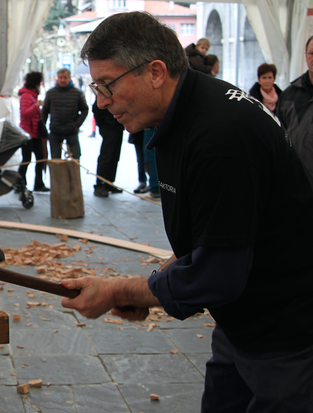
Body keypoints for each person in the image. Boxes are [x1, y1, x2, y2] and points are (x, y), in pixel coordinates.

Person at [61, 12, 313, 411]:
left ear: (156, 72)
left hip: (286, 332)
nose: (102, 102)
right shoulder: (186, 111)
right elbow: (222, 230)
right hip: (241, 321)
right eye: (96, 86)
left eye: (108, 85)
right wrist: (162, 280)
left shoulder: (220, 136)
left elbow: (219, 273)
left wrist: (120, 290)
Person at [276, 37, 313, 177]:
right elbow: (279, 135)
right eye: (312, 53)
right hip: (296, 178)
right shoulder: (289, 95)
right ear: (305, 55)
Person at [42, 68, 89, 161]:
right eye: (60, 77)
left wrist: (77, 124)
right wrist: (43, 128)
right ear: (57, 78)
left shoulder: (77, 93)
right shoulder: (50, 93)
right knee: (56, 161)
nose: (62, 80)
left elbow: (85, 109)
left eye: (65, 77)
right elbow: (45, 111)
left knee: (75, 159)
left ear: (69, 78)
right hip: (55, 131)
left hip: (71, 130)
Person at [17, 72, 48, 192]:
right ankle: (20, 183)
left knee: (40, 157)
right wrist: (36, 106)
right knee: (26, 159)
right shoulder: (26, 95)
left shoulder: (32, 95)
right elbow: (24, 113)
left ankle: (38, 183)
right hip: (27, 133)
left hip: (35, 133)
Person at [92, 101, 124, 197]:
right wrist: (103, 123)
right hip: (108, 127)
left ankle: (109, 183)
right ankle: (100, 184)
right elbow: (97, 108)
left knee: (115, 156)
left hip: (118, 126)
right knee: (106, 156)